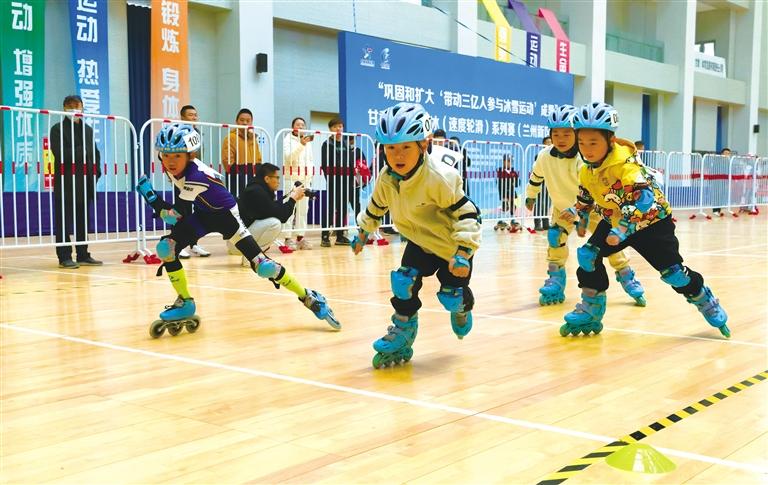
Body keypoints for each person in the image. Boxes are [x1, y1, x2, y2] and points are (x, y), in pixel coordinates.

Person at [136, 123, 340, 337]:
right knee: (166, 248)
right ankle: (185, 302)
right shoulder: (177, 169)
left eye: (177, 156)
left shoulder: (195, 177)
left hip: (227, 218)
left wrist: (150, 195)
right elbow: (183, 212)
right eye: (166, 155)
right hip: (203, 214)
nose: (170, 161)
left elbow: (174, 216)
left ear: (191, 155)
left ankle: (309, 296)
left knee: (264, 267)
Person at [560, 102, 729, 338]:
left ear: (610, 140)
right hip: (615, 221)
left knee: (674, 274)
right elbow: (587, 194)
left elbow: (644, 198)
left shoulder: (626, 165)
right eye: (582, 142)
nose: (586, 149)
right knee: (588, 256)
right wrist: (577, 210)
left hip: (652, 223)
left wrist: (623, 228)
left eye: (593, 142)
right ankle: (591, 309)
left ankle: (703, 297)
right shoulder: (587, 170)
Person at [352, 102, 482, 368]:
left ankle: (462, 307)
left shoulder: (440, 178)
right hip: (419, 243)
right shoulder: (387, 178)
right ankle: (403, 332)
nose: (397, 155)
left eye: (405, 147)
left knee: (451, 296)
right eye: (390, 148)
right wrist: (364, 230)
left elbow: (469, 214)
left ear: (424, 144)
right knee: (403, 282)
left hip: (451, 247)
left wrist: (463, 251)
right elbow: (376, 206)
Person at [525, 105, 645, 307]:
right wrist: (530, 196)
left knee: (609, 243)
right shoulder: (544, 156)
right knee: (555, 239)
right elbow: (536, 177)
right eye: (556, 134)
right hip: (561, 208)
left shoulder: (584, 159)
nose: (561, 139)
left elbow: (590, 188)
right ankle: (555, 281)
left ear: (576, 134)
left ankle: (626, 275)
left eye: (567, 134)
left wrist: (580, 211)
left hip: (593, 209)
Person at [49, 95, 103, 268]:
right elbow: (60, 154)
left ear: (82, 108)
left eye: (77, 106)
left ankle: (83, 254)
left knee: (83, 221)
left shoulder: (88, 129)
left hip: (85, 182)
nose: (74, 109)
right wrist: (82, 151)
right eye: (70, 106)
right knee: (63, 221)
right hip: (66, 182)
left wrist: (96, 171)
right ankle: (64, 256)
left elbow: (95, 153)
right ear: (64, 109)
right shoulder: (57, 129)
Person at [238, 163, 306, 260]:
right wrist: (293, 199)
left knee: (274, 221)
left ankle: (252, 256)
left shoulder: (257, 189)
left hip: (240, 240)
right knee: (275, 223)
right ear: (267, 179)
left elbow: (274, 209)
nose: (278, 181)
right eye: (277, 178)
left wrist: (292, 198)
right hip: (240, 242)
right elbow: (281, 216)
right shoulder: (257, 192)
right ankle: (252, 258)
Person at [176, 104, 210, 258]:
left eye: (195, 115)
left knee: (196, 211)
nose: (194, 118)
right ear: (182, 117)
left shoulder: (197, 133)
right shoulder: (178, 133)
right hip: (181, 176)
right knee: (181, 211)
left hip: (195, 177)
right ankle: (178, 244)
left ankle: (193, 243)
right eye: (190, 115)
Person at [281, 117, 315, 251]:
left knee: (303, 210)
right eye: (297, 124)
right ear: (292, 127)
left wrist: (310, 176)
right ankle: (287, 238)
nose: (300, 127)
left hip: (305, 179)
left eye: (302, 125)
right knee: (290, 208)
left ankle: (300, 237)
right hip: (291, 178)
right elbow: (289, 158)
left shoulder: (308, 142)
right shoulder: (288, 139)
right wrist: (301, 145)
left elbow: (310, 160)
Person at [320, 117, 354, 247]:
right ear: (330, 129)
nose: (338, 129)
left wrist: (351, 179)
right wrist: (330, 179)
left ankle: (340, 236)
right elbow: (325, 165)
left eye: (340, 126)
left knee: (343, 208)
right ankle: (325, 236)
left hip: (346, 181)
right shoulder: (327, 144)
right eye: (335, 127)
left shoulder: (346, 144)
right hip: (333, 180)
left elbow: (350, 163)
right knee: (330, 208)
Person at [221, 108, 262, 197]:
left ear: (251, 122)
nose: (245, 123)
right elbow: (227, 161)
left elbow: (258, 158)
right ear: (236, 121)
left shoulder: (253, 139)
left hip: (253, 178)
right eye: (242, 120)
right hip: (237, 178)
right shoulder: (230, 138)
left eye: (248, 121)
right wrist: (240, 176)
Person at [495, 153, 520, 232]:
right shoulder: (500, 171)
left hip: (511, 191)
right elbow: (498, 183)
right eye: (507, 161)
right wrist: (502, 195)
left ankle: (513, 220)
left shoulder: (513, 171)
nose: (508, 163)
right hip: (503, 191)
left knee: (513, 205)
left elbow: (517, 183)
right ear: (503, 161)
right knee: (505, 206)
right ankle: (501, 221)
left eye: (510, 161)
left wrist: (516, 180)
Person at [712, 147, 731, 216]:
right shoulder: (717, 161)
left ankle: (718, 210)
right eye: (726, 153)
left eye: (728, 153)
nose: (727, 155)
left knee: (721, 195)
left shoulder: (729, 162)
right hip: (717, 181)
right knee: (716, 195)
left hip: (724, 181)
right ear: (722, 153)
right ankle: (715, 210)